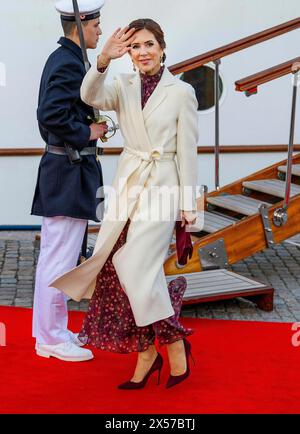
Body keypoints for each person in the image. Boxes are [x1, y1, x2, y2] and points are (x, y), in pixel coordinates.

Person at [51, 18, 199, 388]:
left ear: (162, 47)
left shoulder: (181, 92)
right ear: (129, 54)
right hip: (129, 182)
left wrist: (188, 204)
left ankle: (168, 344)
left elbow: (188, 151)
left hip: (163, 186)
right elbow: (88, 96)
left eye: (149, 44)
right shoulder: (122, 84)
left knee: (132, 263)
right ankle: (153, 352)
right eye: (136, 46)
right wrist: (102, 60)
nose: (143, 52)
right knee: (128, 270)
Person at [31, 0, 108, 362]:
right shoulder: (66, 61)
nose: (100, 31)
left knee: (62, 256)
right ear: (80, 22)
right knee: (58, 259)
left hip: (68, 173)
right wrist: (88, 131)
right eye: (96, 25)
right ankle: (49, 338)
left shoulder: (69, 58)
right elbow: (50, 114)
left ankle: (55, 332)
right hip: (66, 173)